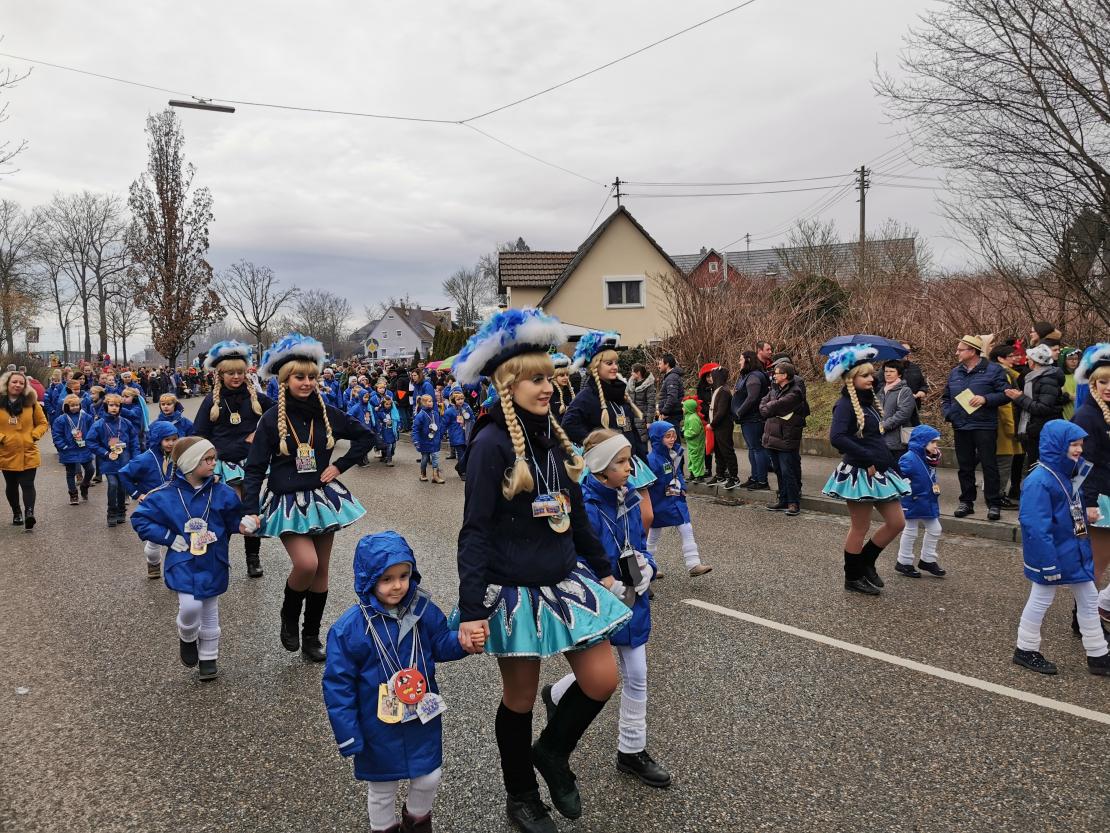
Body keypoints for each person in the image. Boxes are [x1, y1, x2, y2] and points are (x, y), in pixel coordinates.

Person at [453, 309, 631, 833]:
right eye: (536, 378)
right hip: (514, 591)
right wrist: (469, 609)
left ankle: (552, 754)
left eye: (551, 377)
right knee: (521, 698)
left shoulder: (552, 437)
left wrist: (602, 565)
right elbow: (475, 530)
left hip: (564, 580)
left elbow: (571, 508)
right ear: (508, 384)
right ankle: (521, 795)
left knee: (601, 679)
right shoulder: (490, 445)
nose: (549, 387)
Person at [323, 532, 476, 833]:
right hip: (377, 722)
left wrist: (462, 642)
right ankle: (384, 828)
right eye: (387, 579)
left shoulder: (422, 610)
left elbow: (440, 643)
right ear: (368, 580)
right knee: (382, 788)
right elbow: (337, 685)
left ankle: (417, 820)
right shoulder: (350, 628)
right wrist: (348, 733)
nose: (398, 585)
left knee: (429, 775)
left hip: (421, 716)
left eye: (404, 575)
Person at [543, 429, 670, 789]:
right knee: (601, 673)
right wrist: (604, 582)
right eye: (622, 462)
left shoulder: (627, 496)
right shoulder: (581, 505)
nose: (631, 469)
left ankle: (632, 749)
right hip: (598, 599)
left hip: (632, 594)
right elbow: (574, 556)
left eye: (629, 460)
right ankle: (556, 694)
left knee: (637, 672)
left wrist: (645, 566)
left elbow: (638, 543)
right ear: (599, 468)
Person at [241, 334, 375, 663]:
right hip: (287, 501)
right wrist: (250, 510)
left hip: (321, 498)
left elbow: (365, 436)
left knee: (322, 570)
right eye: (300, 377)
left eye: (312, 377)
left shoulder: (326, 413)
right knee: (307, 564)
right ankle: (289, 615)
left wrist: (340, 466)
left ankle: (311, 635)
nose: (307, 382)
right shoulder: (271, 419)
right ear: (286, 379)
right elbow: (255, 468)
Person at [130, 437, 250, 681]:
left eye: (214, 458)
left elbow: (233, 520)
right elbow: (140, 519)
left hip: (214, 559)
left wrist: (246, 525)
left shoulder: (222, 492)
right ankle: (186, 635)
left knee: (209, 609)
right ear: (190, 462)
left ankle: (209, 657)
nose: (213, 464)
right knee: (190, 606)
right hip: (183, 560)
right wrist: (167, 537)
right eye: (207, 459)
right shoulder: (164, 494)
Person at [1012, 421, 1110, 677]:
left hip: (1072, 549)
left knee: (1088, 598)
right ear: (1057, 445)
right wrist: (1046, 563)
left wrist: (1084, 518)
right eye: (1073, 444)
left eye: (1080, 444)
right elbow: (1035, 526)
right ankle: (1025, 648)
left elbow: (1066, 510)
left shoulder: (1068, 473)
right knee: (1042, 598)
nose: (1079, 449)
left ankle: (1098, 653)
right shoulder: (1040, 480)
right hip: (1053, 554)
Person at [822, 345, 910, 595]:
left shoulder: (868, 402)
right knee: (860, 527)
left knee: (896, 522)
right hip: (859, 472)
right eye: (865, 375)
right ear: (851, 378)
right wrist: (867, 457)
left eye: (872, 374)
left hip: (880, 470)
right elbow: (837, 437)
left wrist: (892, 466)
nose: (872, 378)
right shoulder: (845, 405)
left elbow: (875, 438)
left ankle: (866, 561)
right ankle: (852, 577)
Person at [192, 341, 274, 579]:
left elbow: (279, 414)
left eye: (240, 372)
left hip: (250, 464)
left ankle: (252, 559)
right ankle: (219, 558)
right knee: (223, 512)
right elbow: (199, 433)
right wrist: (209, 458)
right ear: (221, 374)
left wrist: (259, 432)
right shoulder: (211, 401)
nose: (236, 376)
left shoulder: (257, 398)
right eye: (231, 373)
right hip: (223, 465)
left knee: (251, 511)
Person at [562, 330, 657, 529]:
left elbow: (629, 428)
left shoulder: (620, 393)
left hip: (631, 462)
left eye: (616, 362)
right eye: (609, 363)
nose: (615, 367)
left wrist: (641, 455)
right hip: (605, 466)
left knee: (646, 516)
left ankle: (639, 557)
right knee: (615, 519)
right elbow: (569, 425)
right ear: (596, 365)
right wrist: (598, 444)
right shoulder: (587, 396)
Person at [942, 335, 1011, 521]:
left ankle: (993, 503)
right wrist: (949, 413)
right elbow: (946, 397)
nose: (957, 352)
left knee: (989, 465)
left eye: (960, 349)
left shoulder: (994, 370)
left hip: (984, 425)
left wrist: (986, 399)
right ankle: (966, 502)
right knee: (964, 466)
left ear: (972, 351)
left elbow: (1006, 395)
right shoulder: (955, 372)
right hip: (961, 425)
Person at [1072, 345, 1110, 628]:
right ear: (1093, 382)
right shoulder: (1087, 416)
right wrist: (1091, 504)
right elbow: (1084, 467)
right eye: (1103, 381)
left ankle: (1101, 608)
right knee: (1095, 565)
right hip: (1098, 500)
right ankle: (1083, 622)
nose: (1108, 387)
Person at [644, 420, 712, 576]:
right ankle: (649, 566)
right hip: (658, 501)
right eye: (667, 436)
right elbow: (646, 482)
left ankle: (693, 564)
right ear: (657, 438)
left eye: (673, 435)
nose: (672, 439)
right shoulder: (652, 460)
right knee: (654, 533)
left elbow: (678, 472)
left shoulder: (673, 454)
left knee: (686, 527)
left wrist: (682, 486)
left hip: (675, 499)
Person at [119, 421, 180, 579]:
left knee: (180, 540)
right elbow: (124, 474)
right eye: (167, 440)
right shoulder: (145, 459)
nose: (171, 443)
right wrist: (137, 494)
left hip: (177, 505)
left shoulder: (179, 456)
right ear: (158, 439)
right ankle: (153, 563)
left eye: (174, 439)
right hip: (154, 507)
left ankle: (178, 573)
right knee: (154, 542)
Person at [1006, 343, 1068, 476]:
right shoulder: (1035, 378)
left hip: (1042, 430)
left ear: (1034, 362)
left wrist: (1020, 398)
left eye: (1028, 359)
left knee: (1039, 468)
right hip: (1036, 429)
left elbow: (1043, 408)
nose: (1026, 361)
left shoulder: (1047, 380)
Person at [895, 425, 947, 578]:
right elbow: (900, 477)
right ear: (921, 442)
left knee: (935, 529)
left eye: (936, 442)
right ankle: (903, 561)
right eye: (932, 442)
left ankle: (928, 559)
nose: (935, 446)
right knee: (910, 530)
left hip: (927, 499)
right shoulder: (909, 458)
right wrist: (907, 489)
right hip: (913, 499)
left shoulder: (928, 458)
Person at [0, 370, 48, 530]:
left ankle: (29, 513)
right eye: (14, 382)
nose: (18, 385)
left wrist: (34, 435)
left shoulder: (31, 403)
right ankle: (16, 512)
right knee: (11, 485)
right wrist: (2, 438)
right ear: (7, 383)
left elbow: (43, 423)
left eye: (21, 383)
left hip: (28, 450)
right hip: (6, 451)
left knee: (27, 484)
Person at [760, 362, 807, 516]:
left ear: (785, 375)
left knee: (788, 471)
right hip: (772, 436)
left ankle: (793, 502)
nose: (774, 375)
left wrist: (770, 408)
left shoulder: (795, 392)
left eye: (777, 373)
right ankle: (783, 499)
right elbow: (763, 404)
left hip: (786, 437)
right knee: (779, 471)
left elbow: (778, 405)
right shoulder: (774, 389)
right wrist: (770, 408)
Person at [87, 393, 140, 528]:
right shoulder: (99, 424)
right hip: (108, 461)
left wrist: (135, 458)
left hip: (124, 461)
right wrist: (105, 453)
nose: (114, 408)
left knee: (122, 486)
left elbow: (134, 441)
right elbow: (90, 441)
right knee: (113, 485)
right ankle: (111, 512)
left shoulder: (126, 423)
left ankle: (121, 510)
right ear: (106, 406)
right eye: (111, 405)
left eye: (117, 405)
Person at [990, 345, 1023, 509]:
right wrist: (1012, 428)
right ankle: (999, 496)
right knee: (1003, 462)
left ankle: (995, 494)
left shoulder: (996, 372)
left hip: (997, 426)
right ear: (1000, 358)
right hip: (1004, 427)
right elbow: (1006, 405)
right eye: (1011, 356)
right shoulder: (1003, 375)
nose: (1015, 359)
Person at [732, 350, 771, 490]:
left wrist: (739, 412)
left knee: (757, 449)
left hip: (753, 418)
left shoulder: (754, 377)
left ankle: (761, 481)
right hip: (749, 418)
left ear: (748, 360)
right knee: (753, 448)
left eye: (741, 359)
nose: (739, 362)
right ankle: (755, 477)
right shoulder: (750, 375)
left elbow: (752, 398)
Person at [51, 393, 96, 505]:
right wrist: (63, 446)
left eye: (77, 405)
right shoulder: (61, 419)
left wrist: (90, 442)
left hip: (84, 447)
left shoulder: (86, 417)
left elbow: (93, 430)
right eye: (72, 405)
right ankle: (73, 494)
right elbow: (57, 434)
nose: (75, 407)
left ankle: (84, 485)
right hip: (69, 449)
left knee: (90, 469)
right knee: (70, 473)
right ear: (66, 406)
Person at [878, 361, 917, 471]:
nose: (888, 374)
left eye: (892, 371)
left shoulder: (905, 391)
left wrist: (884, 426)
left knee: (898, 473)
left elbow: (903, 414)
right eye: (886, 371)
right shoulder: (881, 391)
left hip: (897, 441)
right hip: (881, 440)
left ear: (899, 374)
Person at [707, 367, 738, 488]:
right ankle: (720, 474)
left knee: (727, 451)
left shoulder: (724, 391)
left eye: (712, 376)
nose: (710, 378)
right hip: (717, 427)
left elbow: (721, 412)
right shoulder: (718, 390)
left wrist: (712, 423)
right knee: (719, 452)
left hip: (723, 426)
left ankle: (734, 476)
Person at [625, 362, 656, 446]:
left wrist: (649, 421)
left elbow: (651, 404)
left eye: (632, 371)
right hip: (630, 416)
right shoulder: (630, 384)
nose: (631, 374)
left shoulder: (649, 386)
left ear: (638, 373)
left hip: (642, 418)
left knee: (642, 443)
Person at [444, 390, 474, 474]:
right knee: (461, 453)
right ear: (453, 400)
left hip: (466, 434)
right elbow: (444, 424)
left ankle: (459, 467)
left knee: (466, 453)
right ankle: (463, 471)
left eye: (462, 399)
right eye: (458, 399)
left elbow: (472, 418)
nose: (461, 401)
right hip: (456, 435)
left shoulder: (466, 407)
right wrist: (439, 435)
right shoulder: (449, 411)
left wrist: (472, 426)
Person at [653, 353, 684, 432]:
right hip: (670, 415)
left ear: (667, 364)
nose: (658, 366)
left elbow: (672, 397)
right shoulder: (670, 377)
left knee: (672, 441)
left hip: (671, 416)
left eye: (660, 363)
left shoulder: (671, 378)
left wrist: (664, 412)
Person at [681, 397, 706, 482]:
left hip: (697, 443)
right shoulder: (688, 416)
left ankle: (699, 476)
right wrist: (684, 429)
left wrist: (684, 433)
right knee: (692, 458)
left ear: (689, 408)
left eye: (684, 407)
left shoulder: (693, 418)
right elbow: (687, 426)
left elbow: (694, 431)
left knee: (697, 458)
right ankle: (693, 473)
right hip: (692, 443)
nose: (682, 408)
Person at [1060, 347, 1080, 421]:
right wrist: (1068, 397)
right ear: (1063, 360)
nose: (1074, 361)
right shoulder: (1060, 376)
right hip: (1064, 415)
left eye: (1076, 358)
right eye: (1070, 359)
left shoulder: (1080, 375)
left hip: (1079, 414)